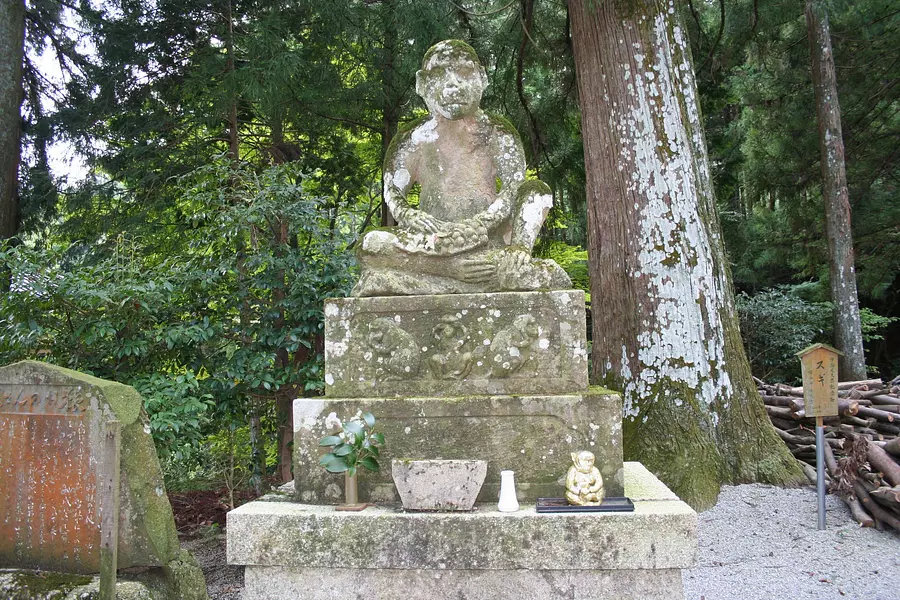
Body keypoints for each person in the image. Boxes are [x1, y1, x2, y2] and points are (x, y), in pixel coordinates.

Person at [353, 40, 570, 297]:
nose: (453, 84)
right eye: (439, 74)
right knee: (370, 243)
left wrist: (483, 225)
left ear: (482, 78)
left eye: (464, 72)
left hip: (486, 241)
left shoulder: (497, 132)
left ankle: (516, 257)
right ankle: (451, 271)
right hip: (431, 245)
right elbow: (393, 191)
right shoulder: (413, 138)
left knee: (537, 191)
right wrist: (411, 217)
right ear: (422, 84)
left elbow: (513, 188)